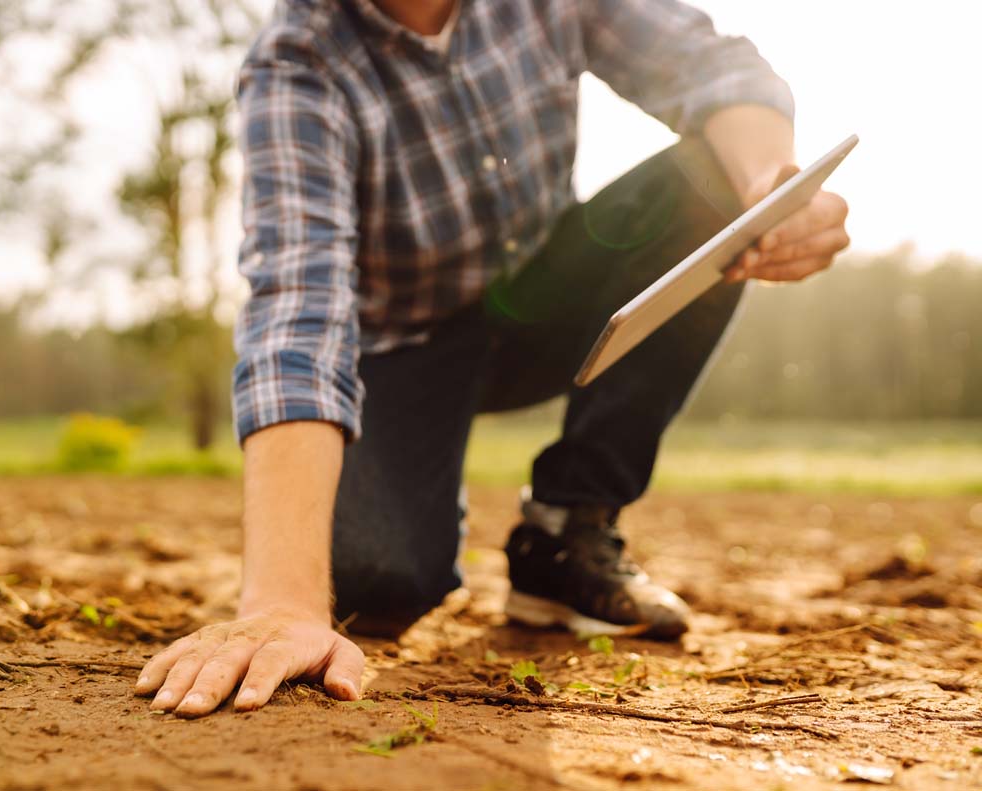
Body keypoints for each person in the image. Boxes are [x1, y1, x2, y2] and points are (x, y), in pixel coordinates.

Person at [135, 0, 850, 718]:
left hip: (548, 298)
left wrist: (768, 190)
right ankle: (366, 554)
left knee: (717, 186)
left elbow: (711, 64)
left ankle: (565, 535)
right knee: (375, 580)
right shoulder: (299, 65)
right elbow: (298, 310)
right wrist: (284, 600)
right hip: (401, 352)